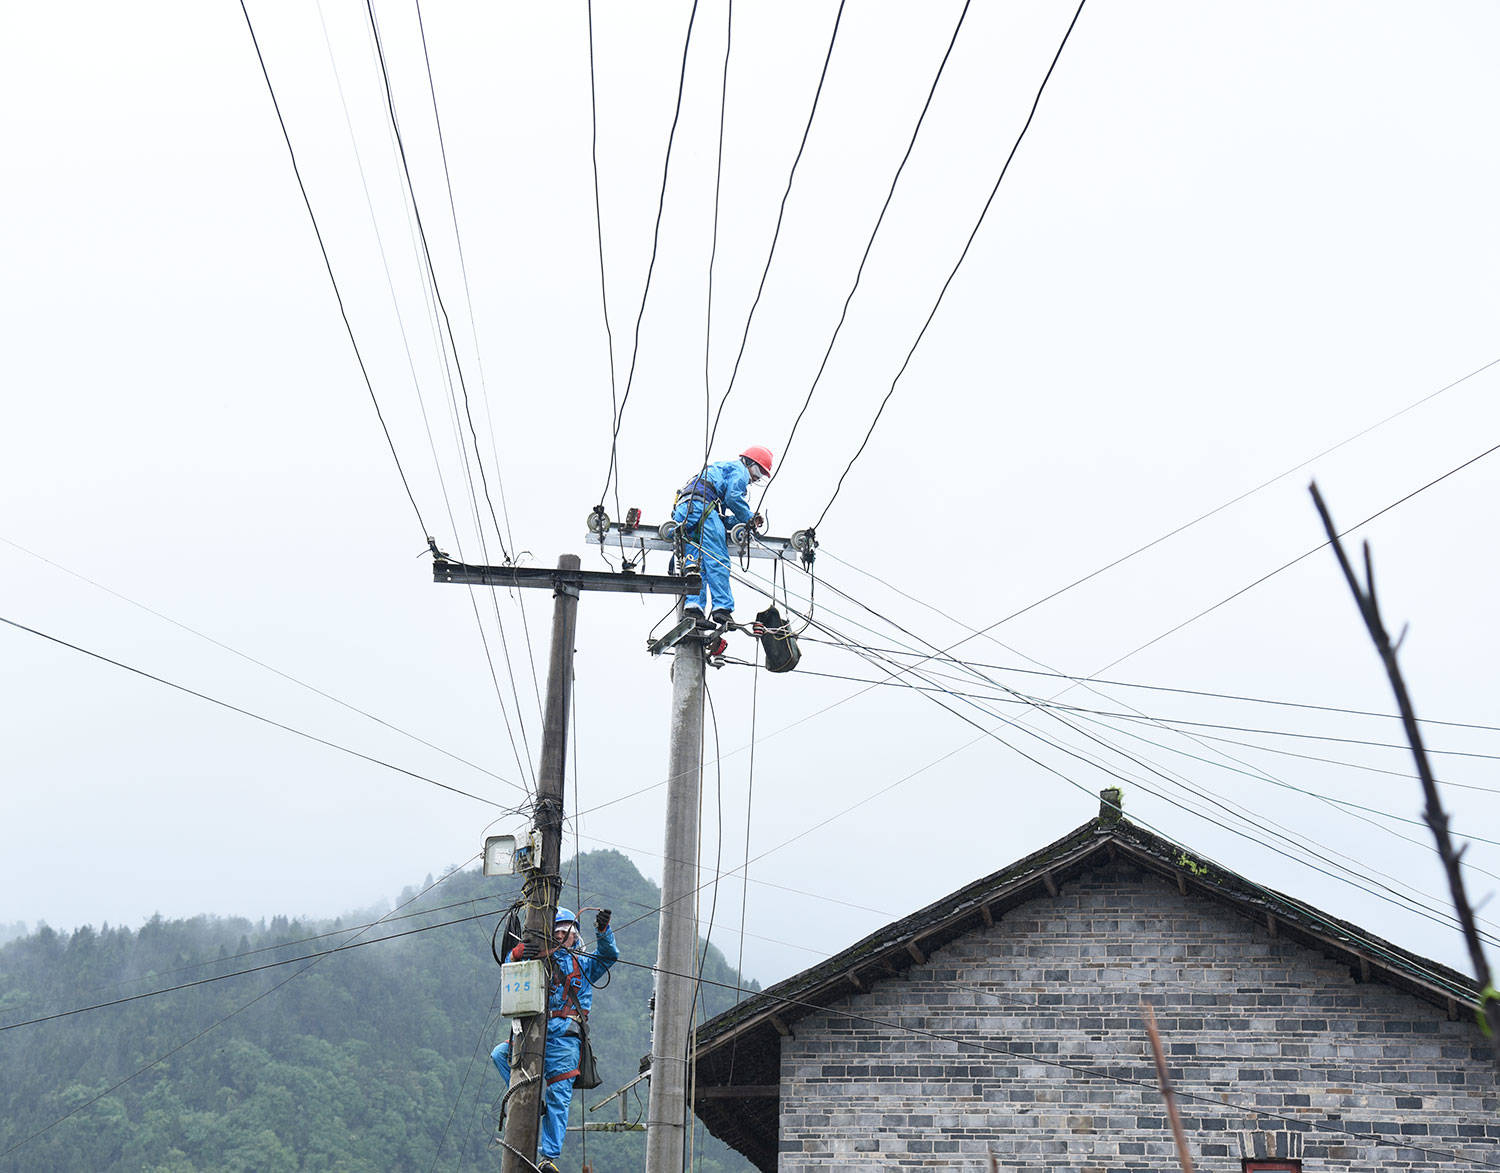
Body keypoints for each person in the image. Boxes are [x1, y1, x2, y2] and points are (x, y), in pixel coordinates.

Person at [492, 907, 618, 1173]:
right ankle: (534, 1102)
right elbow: (510, 971)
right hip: (532, 1034)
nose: (561, 937)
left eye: (566, 932)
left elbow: (608, 956)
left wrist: (603, 931)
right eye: (557, 932)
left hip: (564, 1038)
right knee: (500, 1055)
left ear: (575, 936)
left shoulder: (582, 964)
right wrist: (515, 953)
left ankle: (548, 1158)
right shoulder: (536, 959)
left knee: (559, 1095)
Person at [671, 446, 772, 627]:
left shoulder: (719, 472)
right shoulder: (738, 471)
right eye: (758, 471)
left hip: (687, 509)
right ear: (749, 463)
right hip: (703, 507)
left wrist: (743, 522)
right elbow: (733, 498)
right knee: (717, 559)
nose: (757, 478)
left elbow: (721, 518)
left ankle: (694, 610)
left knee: (696, 562)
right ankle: (722, 609)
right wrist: (748, 517)